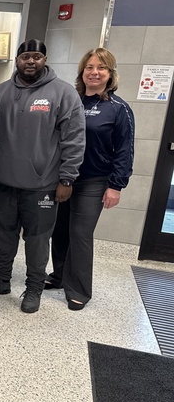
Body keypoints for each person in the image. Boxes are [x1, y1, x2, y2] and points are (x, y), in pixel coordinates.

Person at [0, 39, 85, 313]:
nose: (30, 61)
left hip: (42, 186)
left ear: (44, 60)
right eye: (25, 56)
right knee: (3, 237)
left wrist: (67, 179)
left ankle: (34, 287)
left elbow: (74, 140)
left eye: (37, 57)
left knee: (37, 243)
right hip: (1, 183)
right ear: (17, 59)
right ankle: (1, 280)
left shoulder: (64, 94)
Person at [46, 48, 135, 310]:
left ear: (110, 74)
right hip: (63, 179)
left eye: (101, 68)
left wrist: (116, 186)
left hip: (94, 181)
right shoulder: (71, 101)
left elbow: (124, 150)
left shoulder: (119, 109)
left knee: (80, 234)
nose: (94, 73)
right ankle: (60, 276)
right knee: (59, 230)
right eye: (89, 67)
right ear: (82, 72)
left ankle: (79, 289)